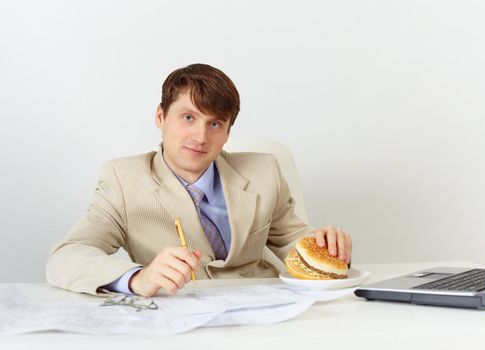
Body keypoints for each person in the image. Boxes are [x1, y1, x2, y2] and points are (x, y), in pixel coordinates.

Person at [46, 63, 352, 297]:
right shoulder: (123, 180)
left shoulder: (264, 171)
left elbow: (292, 242)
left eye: (215, 123)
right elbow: (67, 256)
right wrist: (138, 278)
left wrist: (327, 246)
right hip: (181, 317)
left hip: (267, 308)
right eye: (188, 117)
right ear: (160, 116)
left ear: (229, 132)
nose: (200, 137)